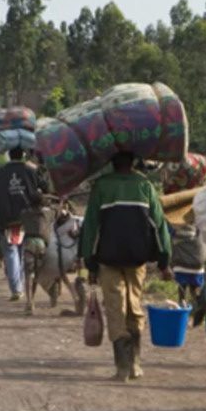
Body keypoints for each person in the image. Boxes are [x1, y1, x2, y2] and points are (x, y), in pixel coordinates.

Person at [80, 151, 173, 382]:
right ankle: (135, 364)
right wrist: (164, 261)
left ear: (111, 163)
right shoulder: (145, 185)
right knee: (134, 306)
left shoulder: (101, 186)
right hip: (137, 259)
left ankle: (122, 367)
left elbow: (90, 227)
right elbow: (160, 225)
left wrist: (90, 264)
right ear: (133, 162)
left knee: (115, 308)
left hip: (107, 260)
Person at [0, 147, 47, 302]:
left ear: (9, 155)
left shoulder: (1, 172)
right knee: (23, 252)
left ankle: (17, 289)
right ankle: (21, 285)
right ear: (22, 155)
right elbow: (46, 187)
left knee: (11, 252)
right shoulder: (30, 171)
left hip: (7, 221)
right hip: (28, 220)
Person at [171, 224, 206, 306]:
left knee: (182, 290)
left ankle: (182, 303)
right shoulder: (199, 235)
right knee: (195, 291)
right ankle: (196, 307)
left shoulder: (176, 235)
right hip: (197, 269)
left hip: (180, 267)